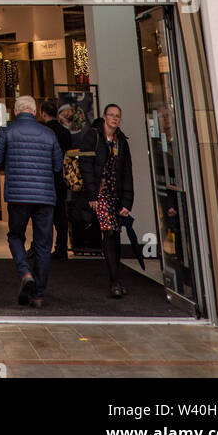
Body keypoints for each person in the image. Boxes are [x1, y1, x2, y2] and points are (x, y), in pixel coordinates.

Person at [0, 95, 63, 309]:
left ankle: (25, 273)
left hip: (18, 195)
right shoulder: (49, 134)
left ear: (15, 112)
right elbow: (58, 165)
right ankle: (38, 295)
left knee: (15, 236)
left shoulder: (6, 132)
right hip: (44, 196)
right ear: (34, 112)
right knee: (43, 245)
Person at [79, 102, 135, 298]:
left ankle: (116, 277)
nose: (114, 118)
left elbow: (127, 172)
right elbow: (85, 166)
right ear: (104, 117)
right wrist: (92, 194)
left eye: (117, 116)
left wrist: (128, 201)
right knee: (109, 231)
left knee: (115, 233)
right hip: (101, 192)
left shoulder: (122, 141)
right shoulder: (93, 136)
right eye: (111, 115)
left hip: (116, 194)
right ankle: (115, 281)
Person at [41, 98, 73, 259]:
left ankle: (42, 247)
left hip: (44, 177)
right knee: (60, 215)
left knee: (43, 215)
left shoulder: (42, 131)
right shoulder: (65, 132)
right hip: (60, 177)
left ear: (43, 114)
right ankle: (62, 247)